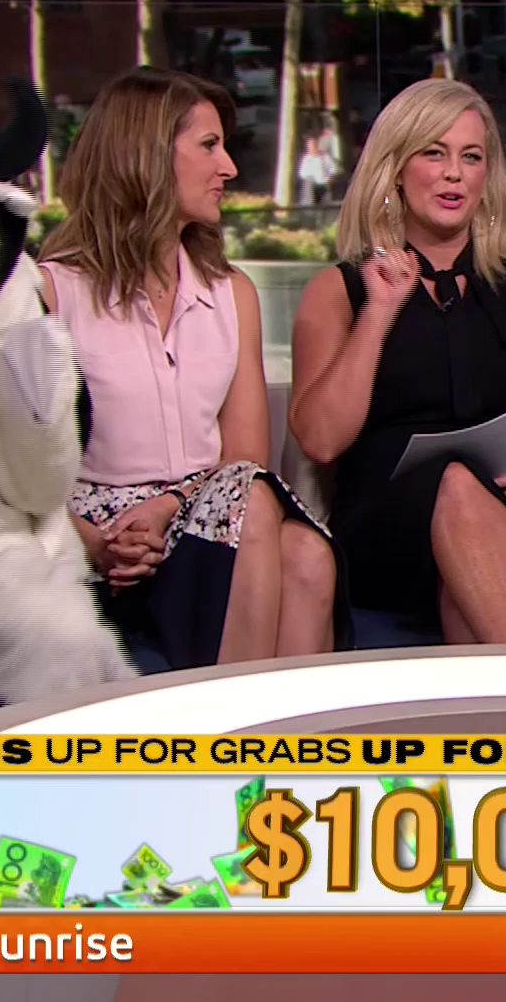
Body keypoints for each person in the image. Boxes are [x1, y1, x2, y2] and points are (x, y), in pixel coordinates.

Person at [39, 68, 345, 670]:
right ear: (146, 155)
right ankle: (239, 723)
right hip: (98, 533)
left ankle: (264, 729)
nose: (228, 168)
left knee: (303, 551)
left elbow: (245, 459)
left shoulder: (233, 293)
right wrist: (95, 543)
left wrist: (168, 506)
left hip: (204, 512)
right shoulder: (51, 292)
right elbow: (16, 475)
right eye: (209, 146)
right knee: (262, 516)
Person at [289, 79, 506, 644]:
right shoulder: (338, 292)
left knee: (470, 562)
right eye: (434, 152)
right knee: (454, 486)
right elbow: (321, 441)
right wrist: (379, 311)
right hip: (390, 532)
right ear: (395, 169)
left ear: (487, 175)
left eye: (471, 157)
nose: (455, 173)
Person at [299, 135, 336, 205]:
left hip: (324, 183)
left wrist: (330, 176)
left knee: (326, 203)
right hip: (311, 186)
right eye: (310, 146)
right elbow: (302, 173)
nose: (312, 147)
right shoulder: (306, 159)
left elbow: (333, 168)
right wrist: (310, 177)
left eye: (314, 145)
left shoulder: (325, 156)